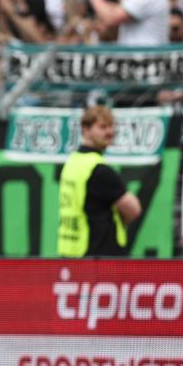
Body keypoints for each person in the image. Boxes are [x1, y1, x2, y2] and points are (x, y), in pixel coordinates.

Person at [57, 106, 142, 257]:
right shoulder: (98, 169)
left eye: (111, 126)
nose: (109, 132)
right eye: (102, 127)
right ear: (86, 130)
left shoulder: (72, 162)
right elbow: (133, 209)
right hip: (99, 255)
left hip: (71, 251)